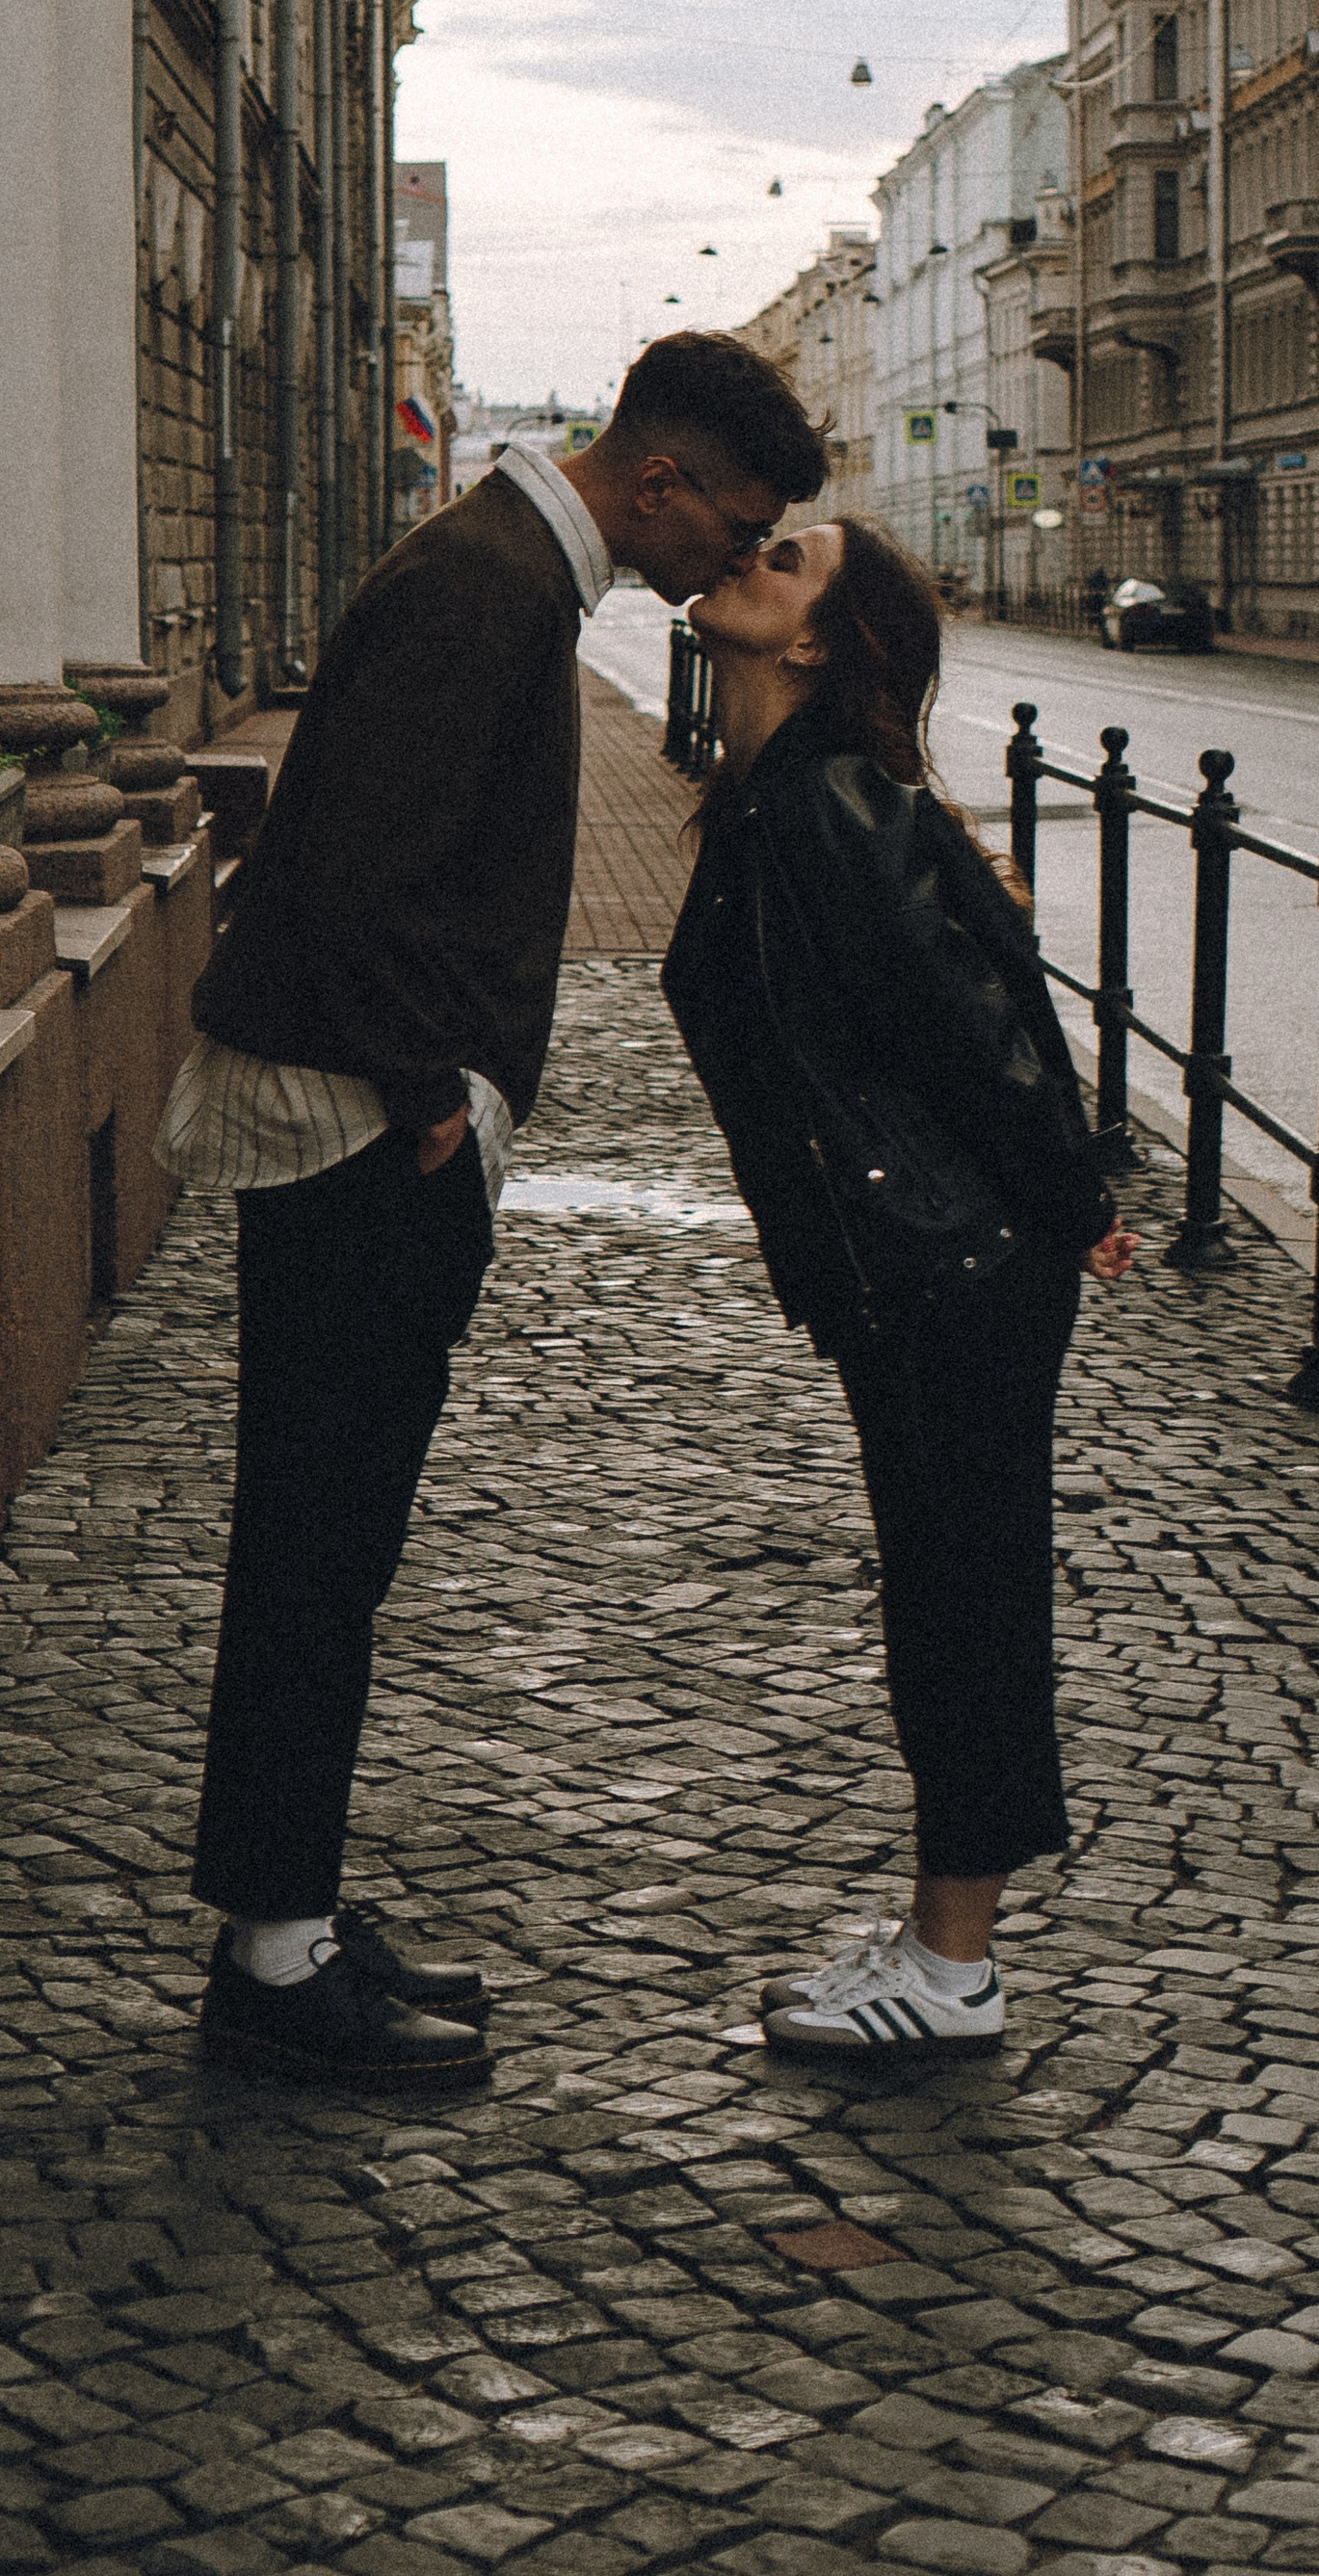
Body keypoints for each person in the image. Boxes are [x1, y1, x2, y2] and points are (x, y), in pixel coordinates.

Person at [159, 333, 829, 2091]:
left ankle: (284, 1911)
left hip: (375, 1117)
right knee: (317, 1539)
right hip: (359, 1132)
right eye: (734, 523)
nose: (731, 564)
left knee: (335, 1542)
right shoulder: (485, 586)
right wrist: (431, 1098)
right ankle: (274, 1962)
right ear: (661, 477)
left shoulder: (508, 567)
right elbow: (353, 868)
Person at [662, 515, 1133, 2057]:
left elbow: (979, 1026)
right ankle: (944, 1939)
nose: (747, 552)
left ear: (811, 640)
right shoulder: (778, 797)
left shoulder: (829, 806)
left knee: (965, 1593)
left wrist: (1071, 1207)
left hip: (955, 1261)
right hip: (919, 1256)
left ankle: (953, 1970)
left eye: (785, 558)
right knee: (946, 1582)